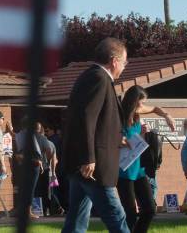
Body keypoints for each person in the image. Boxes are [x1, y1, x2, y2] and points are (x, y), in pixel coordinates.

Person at [60, 37, 131, 233]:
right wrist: (88, 157)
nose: (124, 67)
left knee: (76, 220)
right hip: (93, 168)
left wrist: (117, 138)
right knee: (117, 217)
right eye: (124, 63)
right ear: (114, 61)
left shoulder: (89, 77)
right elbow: (86, 118)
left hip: (82, 166)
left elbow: (97, 122)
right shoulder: (99, 79)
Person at [117, 85, 174, 233]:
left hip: (139, 170)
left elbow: (155, 109)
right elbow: (108, 138)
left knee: (149, 209)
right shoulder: (118, 116)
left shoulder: (137, 112)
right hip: (124, 171)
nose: (143, 106)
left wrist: (167, 116)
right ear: (133, 101)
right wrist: (121, 141)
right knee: (130, 213)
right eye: (141, 102)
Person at [15, 119, 45, 220]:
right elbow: (34, 151)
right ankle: (28, 212)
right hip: (32, 164)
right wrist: (38, 162)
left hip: (23, 165)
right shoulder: (29, 135)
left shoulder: (18, 135)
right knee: (30, 189)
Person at [138, 124, 162, 208]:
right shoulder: (139, 137)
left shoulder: (153, 138)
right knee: (149, 185)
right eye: (143, 128)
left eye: (146, 128)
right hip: (142, 165)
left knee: (153, 185)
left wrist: (158, 163)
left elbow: (158, 152)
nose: (144, 129)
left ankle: (151, 202)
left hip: (150, 165)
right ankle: (148, 203)